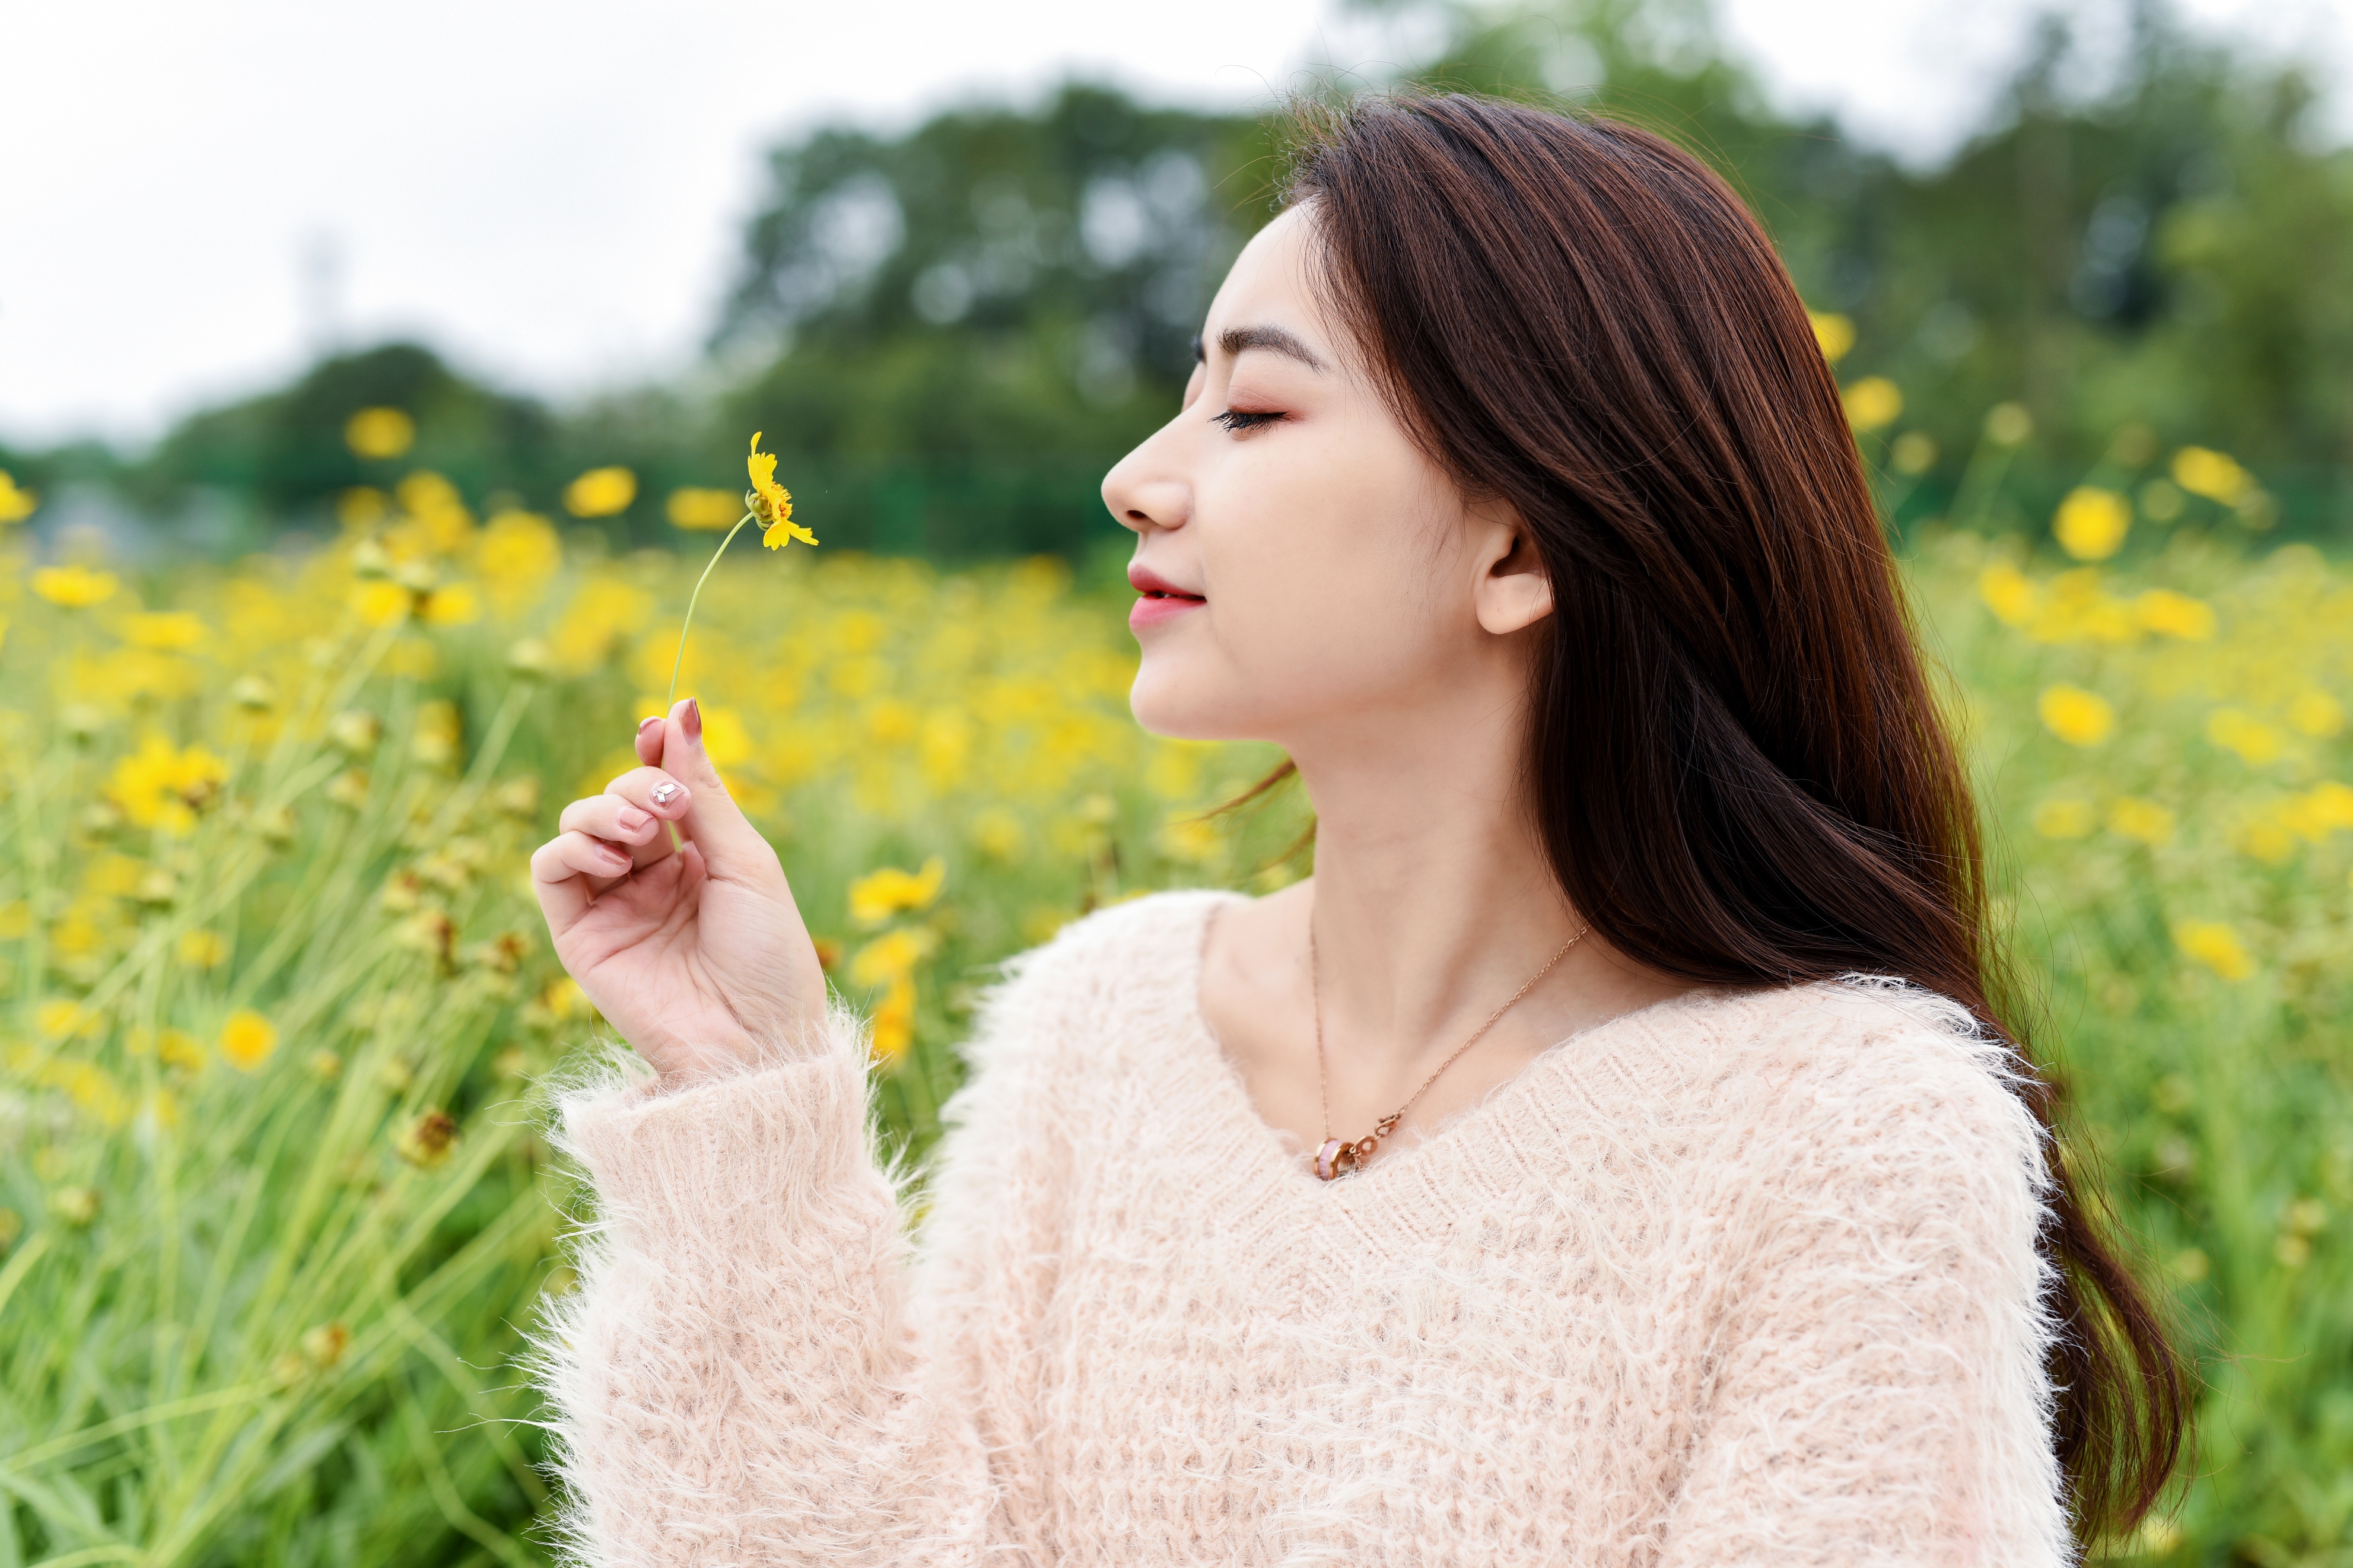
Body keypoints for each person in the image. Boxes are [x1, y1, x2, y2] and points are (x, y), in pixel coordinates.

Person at [527, 93, 2185, 1564]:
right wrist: (744, 1082)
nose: (1135, 476)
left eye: (1251, 412)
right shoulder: (1099, 1027)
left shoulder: (1847, 1136)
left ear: (1520, 549)